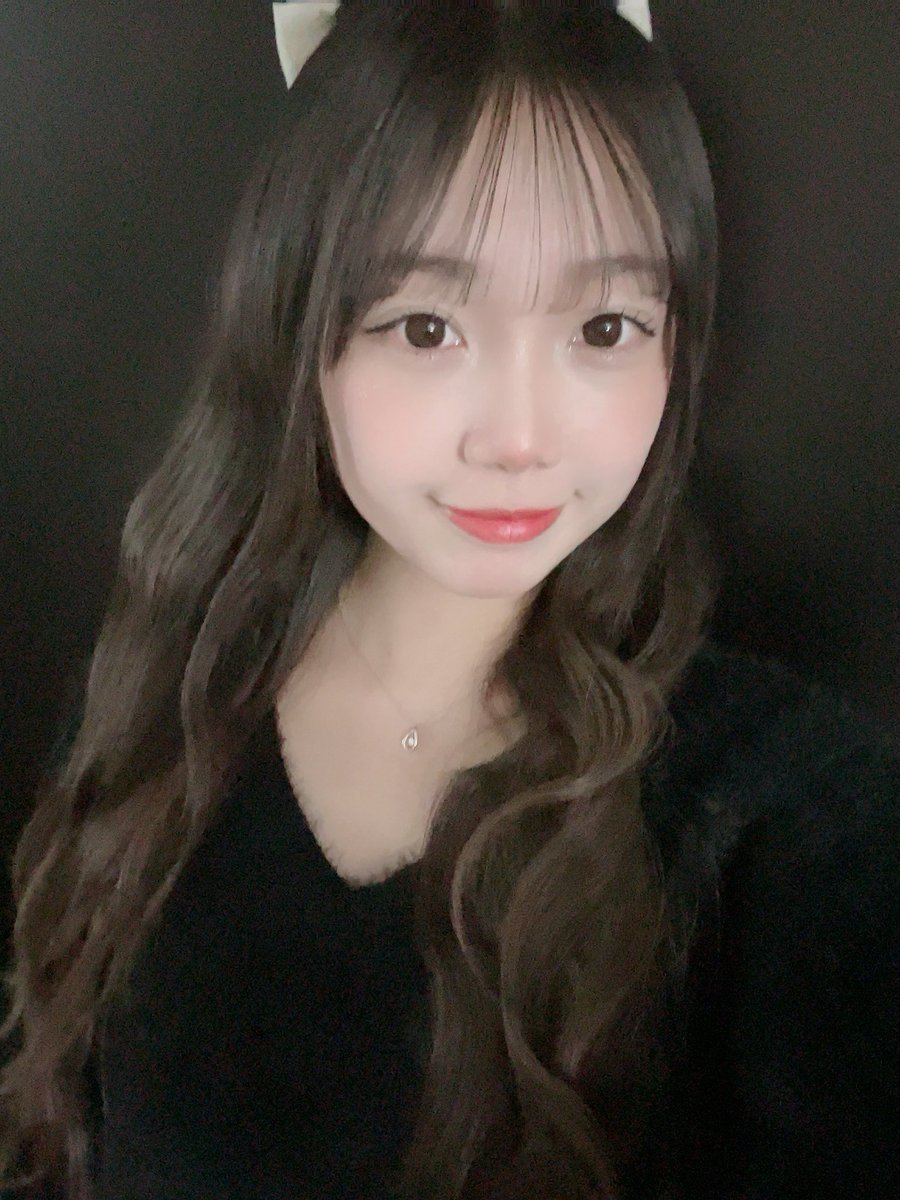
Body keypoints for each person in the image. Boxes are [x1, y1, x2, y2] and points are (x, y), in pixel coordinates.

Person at [1, 2, 897, 1197]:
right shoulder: (163, 703)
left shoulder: (775, 813)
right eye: (425, 326)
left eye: (606, 326)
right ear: (299, 330)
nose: (520, 437)